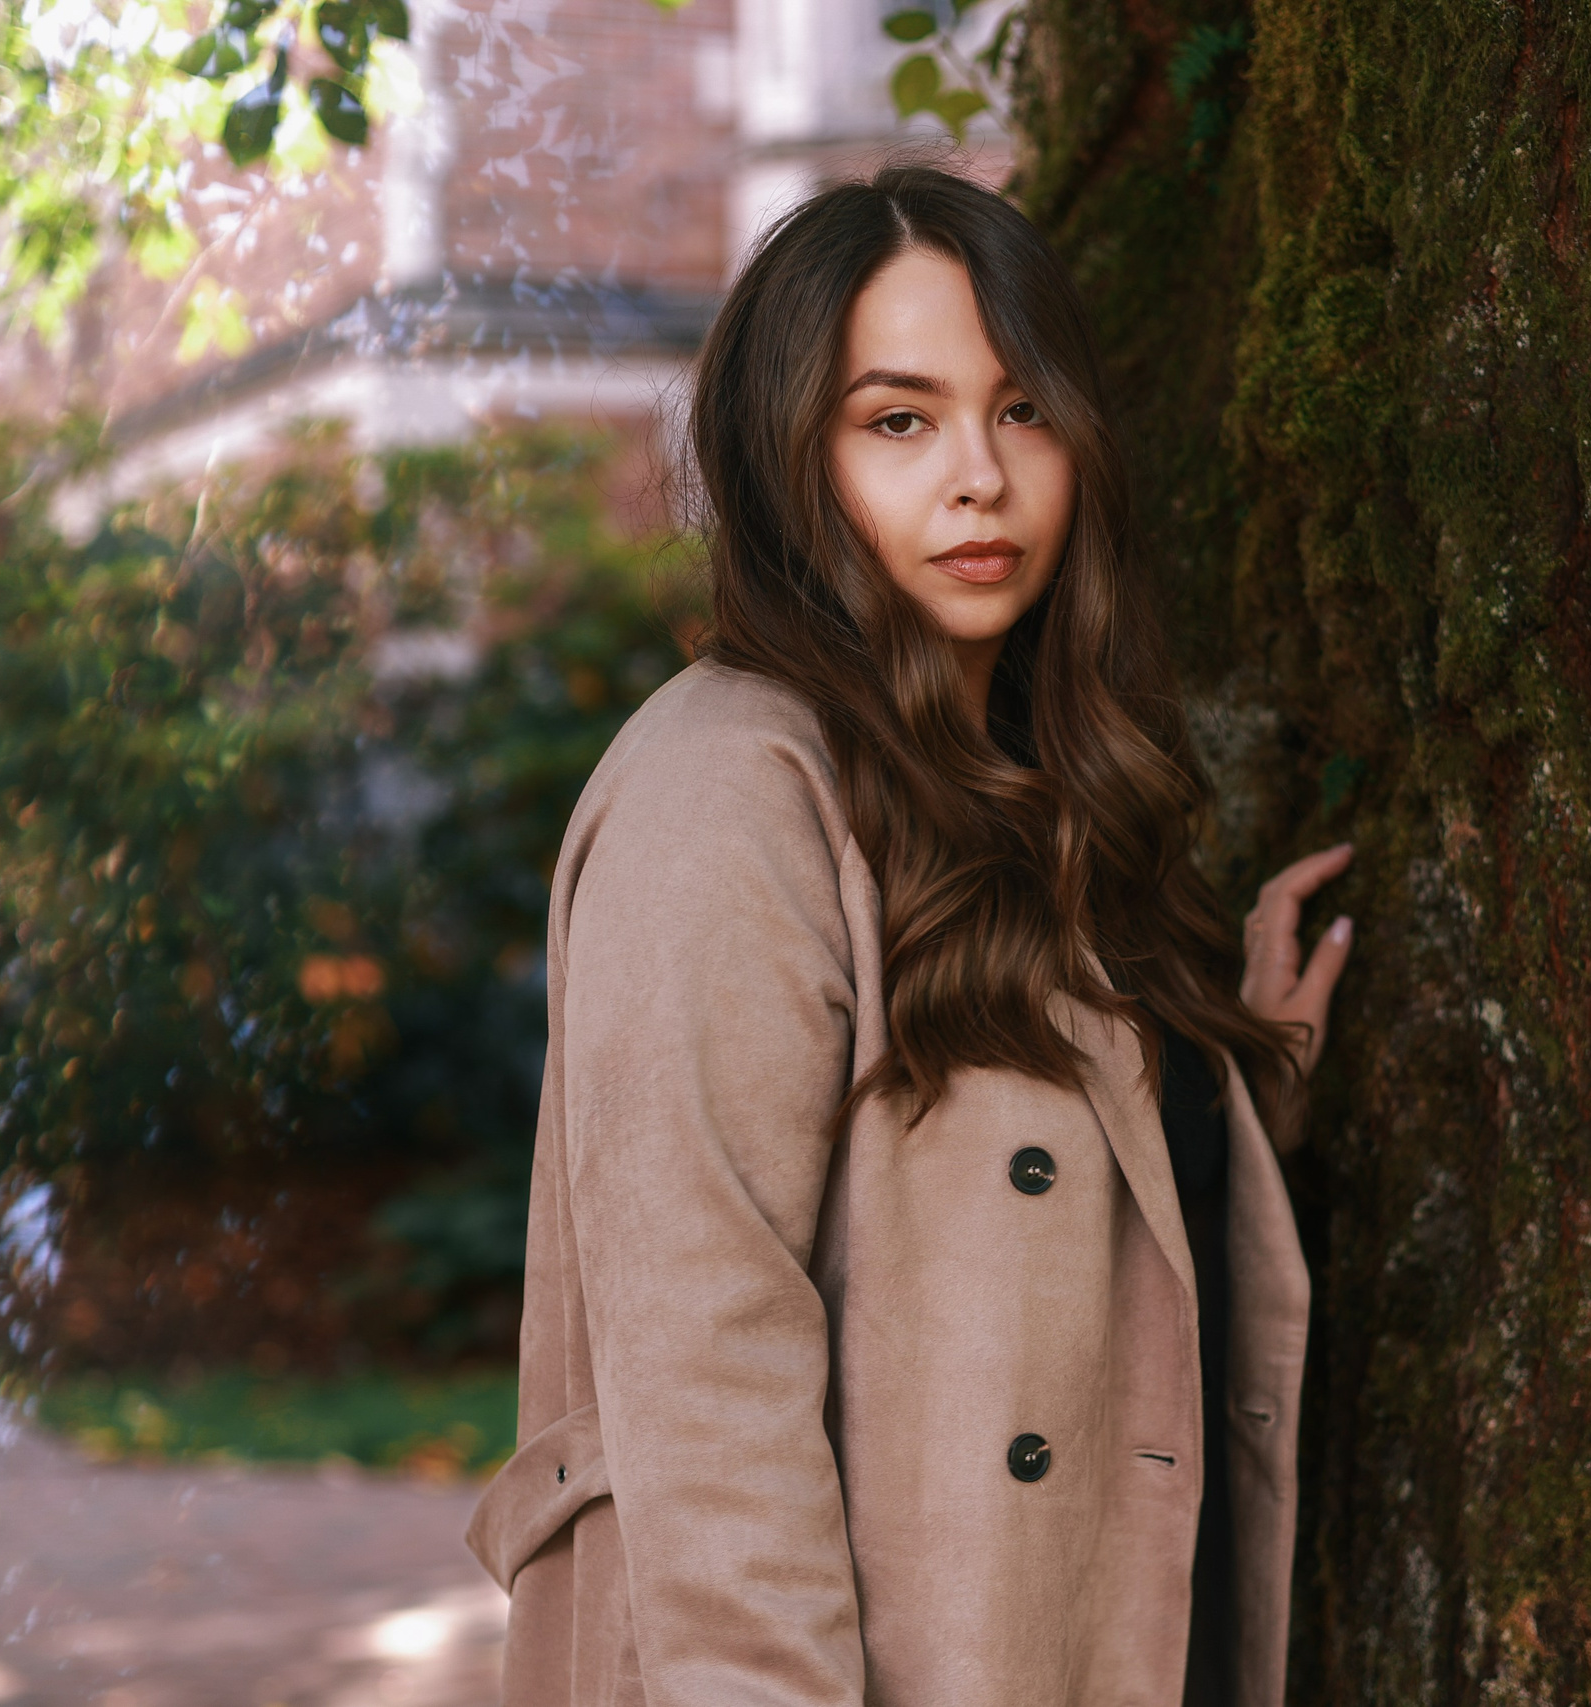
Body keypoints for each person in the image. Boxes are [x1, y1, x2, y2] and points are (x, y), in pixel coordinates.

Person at [465, 163, 1353, 1707]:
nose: (980, 478)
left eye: (1021, 410)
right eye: (899, 420)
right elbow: (707, 1386)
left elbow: (1004, 1239)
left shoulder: (1027, 776)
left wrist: (1229, 1082)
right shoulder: (725, 791)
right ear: (786, 456)